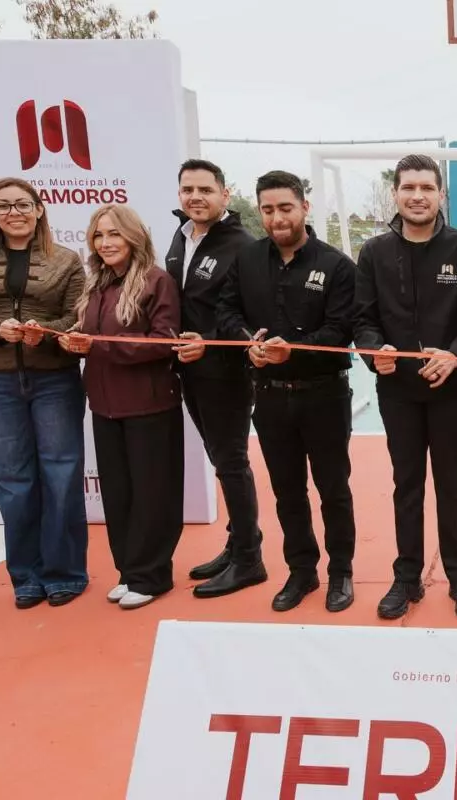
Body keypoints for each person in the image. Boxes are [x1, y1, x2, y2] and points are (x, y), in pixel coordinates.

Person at [353, 155, 457, 620]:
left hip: (454, 388)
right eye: (409, 187)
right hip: (398, 391)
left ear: (440, 195)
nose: (417, 196)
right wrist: (374, 352)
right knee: (407, 484)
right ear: (395, 193)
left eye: (426, 188)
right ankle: (407, 576)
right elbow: (363, 319)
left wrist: (456, 355)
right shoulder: (373, 252)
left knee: (451, 484)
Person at [215, 170, 358, 613]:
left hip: (324, 396)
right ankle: (301, 571)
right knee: (287, 491)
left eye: (285, 208)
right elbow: (225, 312)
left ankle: (341, 572)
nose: (277, 218)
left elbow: (341, 331)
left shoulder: (336, 266)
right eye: (268, 209)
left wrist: (292, 350)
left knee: (333, 489)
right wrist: (250, 344)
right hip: (270, 396)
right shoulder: (246, 259)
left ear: (304, 208)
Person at [57, 204, 183, 610]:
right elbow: (94, 336)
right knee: (118, 494)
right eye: (99, 234)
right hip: (104, 406)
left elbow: (164, 342)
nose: (106, 242)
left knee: (152, 494)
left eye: (114, 233)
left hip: (149, 405)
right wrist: (76, 339)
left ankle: (153, 576)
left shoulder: (157, 280)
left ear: (133, 236)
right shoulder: (97, 284)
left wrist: (98, 345)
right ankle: (129, 571)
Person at [0, 178, 87, 608]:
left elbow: (78, 316)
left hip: (55, 379)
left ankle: (65, 573)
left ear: (39, 209)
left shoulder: (67, 259)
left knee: (61, 475)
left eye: (22, 204)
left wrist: (46, 332)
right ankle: (26, 575)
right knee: (13, 481)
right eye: (3, 205)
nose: (13, 212)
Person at [163, 159, 266, 599]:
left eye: (205, 190)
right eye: (188, 189)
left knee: (231, 462)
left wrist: (208, 343)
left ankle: (250, 560)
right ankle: (238, 542)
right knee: (220, 459)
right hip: (188, 371)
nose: (195, 197)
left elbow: (249, 317)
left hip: (226, 374)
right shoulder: (180, 237)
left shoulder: (243, 246)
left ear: (225, 194)